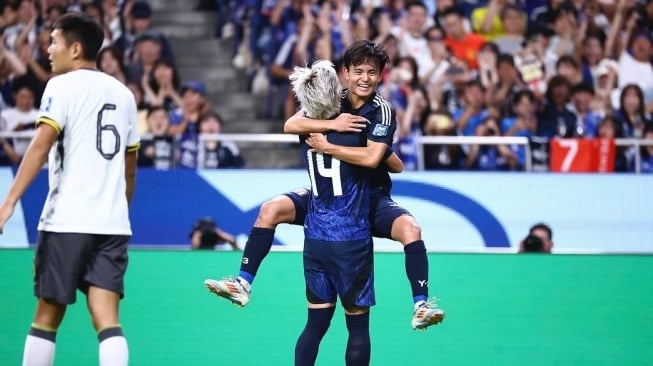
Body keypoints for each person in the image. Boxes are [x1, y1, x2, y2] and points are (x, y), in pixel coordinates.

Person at [205, 40, 445, 331]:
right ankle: (243, 283)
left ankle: (420, 305)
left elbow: (375, 159)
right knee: (271, 209)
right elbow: (291, 125)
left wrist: (333, 146)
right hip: (329, 199)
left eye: (372, 72)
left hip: (371, 199)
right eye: (358, 71)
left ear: (381, 75)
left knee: (412, 229)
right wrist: (334, 125)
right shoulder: (332, 100)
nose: (364, 78)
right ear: (346, 73)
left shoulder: (382, 110)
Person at [0, 13, 139, 366]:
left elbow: (39, 147)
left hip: (66, 221)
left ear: (75, 49)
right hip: (111, 225)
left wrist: (9, 201)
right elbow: (130, 171)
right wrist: (118, 210)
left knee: (47, 316)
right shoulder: (124, 95)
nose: (48, 50)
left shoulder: (60, 86)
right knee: (107, 319)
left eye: (54, 42)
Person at [288, 59, 375, 366]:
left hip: (314, 239)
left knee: (315, 325)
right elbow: (387, 160)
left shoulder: (308, 130)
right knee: (358, 326)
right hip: (351, 238)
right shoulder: (355, 127)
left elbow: (292, 123)